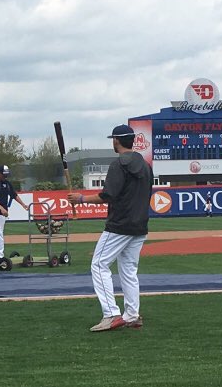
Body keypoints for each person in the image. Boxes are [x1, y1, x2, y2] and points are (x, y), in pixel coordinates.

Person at [68, 124, 153, 332]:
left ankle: (111, 314)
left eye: (112, 139)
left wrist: (80, 199)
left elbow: (107, 195)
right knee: (129, 270)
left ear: (117, 140)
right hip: (140, 225)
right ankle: (132, 315)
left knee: (98, 264)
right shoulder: (145, 166)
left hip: (119, 225)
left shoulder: (118, 165)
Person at [0, 165, 29, 263]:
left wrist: (23, 205)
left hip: (2, 214)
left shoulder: (7, 184)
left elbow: (14, 195)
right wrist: (1, 208)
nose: (5, 177)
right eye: (4, 175)